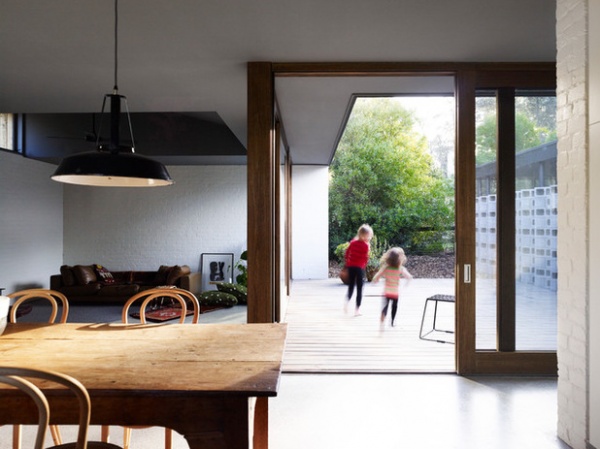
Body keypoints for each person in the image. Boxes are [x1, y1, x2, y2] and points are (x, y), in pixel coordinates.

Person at [372, 247, 413, 327]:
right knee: (394, 306)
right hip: (395, 292)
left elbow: (376, 277)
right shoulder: (400, 269)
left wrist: (376, 281)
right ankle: (392, 322)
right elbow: (409, 277)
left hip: (386, 292)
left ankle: (383, 315)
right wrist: (405, 285)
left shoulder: (386, 268)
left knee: (385, 306)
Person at [344, 224, 373, 316]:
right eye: (369, 236)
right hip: (359, 268)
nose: (370, 238)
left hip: (351, 267)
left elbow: (347, 253)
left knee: (351, 286)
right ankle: (357, 310)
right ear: (364, 236)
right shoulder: (365, 246)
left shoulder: (352, 243)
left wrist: (347, 264)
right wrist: (363, 266)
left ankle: (347, 303)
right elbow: (366, 258)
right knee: (360, 288)